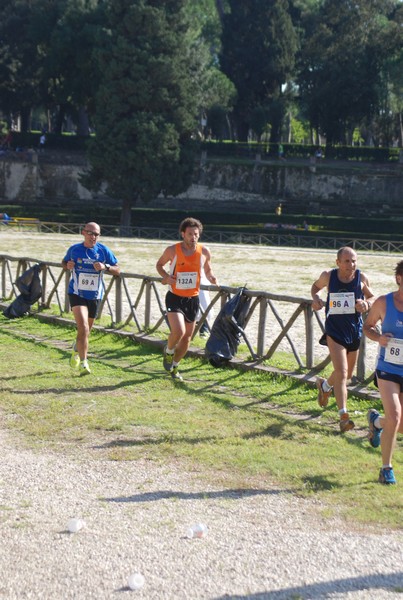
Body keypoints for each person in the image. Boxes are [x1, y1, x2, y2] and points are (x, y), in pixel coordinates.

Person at [311, 246, 374, 432]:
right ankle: (343, 417)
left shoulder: (361, 279)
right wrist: (316, 299)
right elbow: (315, 288)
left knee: (344, 375)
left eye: (354, 260)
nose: (351, 264)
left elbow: (372, 296)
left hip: (353, 331)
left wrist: (366, 303)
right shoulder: (328, 276)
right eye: (347, 261)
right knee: (342, 370)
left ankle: (325, 386)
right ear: (338, 262)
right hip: (334, 330)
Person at [156, 217, 218, 380]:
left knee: (187, 338)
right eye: (190, 234)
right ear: (183, 234)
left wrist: (211, 277)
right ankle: (169, 351)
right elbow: (159, 265)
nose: (193, 237)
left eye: (196, 234)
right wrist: (167, 277)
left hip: (193, 299)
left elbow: (208, 268)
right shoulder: (172, 250)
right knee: (179, 331)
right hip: (175, 297)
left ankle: (175, 366)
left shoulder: (204, 251)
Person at [363, 260, 403, 485]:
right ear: (399, 278)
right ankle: (386, 469)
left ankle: (376, 422)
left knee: (399, 423)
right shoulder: (383, 302)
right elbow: (367, 327)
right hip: (387, 369)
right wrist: (379, 338)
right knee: (395, 416)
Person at [61, 222, 120, 375]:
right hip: (76, 293)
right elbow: (64, 262)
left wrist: (105, 267)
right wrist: (67, 265)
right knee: (84, 327)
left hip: (95, 295)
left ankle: (76, 348)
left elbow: (117, 269)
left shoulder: (103, 251)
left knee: (86, 331)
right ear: (83, 233)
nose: (93, 236)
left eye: (96, 234)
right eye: (90, 233)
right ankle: (84, 363)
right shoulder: (74, 249)